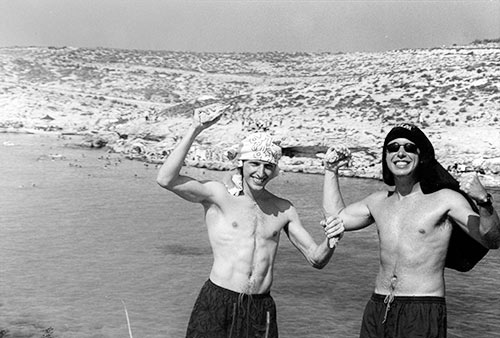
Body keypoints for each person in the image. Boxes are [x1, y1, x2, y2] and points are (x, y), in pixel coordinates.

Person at [156, 104, 343, 338]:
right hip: (217, 300)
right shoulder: (218, 195)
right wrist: (195, 129)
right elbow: (165, 179)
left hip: (260, 307)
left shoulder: (284, 209)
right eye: (254, 164)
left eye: (268, 167)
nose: (261, 173)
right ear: (241, 164)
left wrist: (332, 238)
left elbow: (316, 259)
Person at [323, 123, 500, 338]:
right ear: (386, 157)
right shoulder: (378, 202)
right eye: (393, 147)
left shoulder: (445, 200)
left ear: (421, 155)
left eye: (409, 147)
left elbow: (491, 240)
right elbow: (335, 221)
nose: (401, 153)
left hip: (422, 307)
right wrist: (331, 171)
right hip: (378, 305)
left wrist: (484, 202)